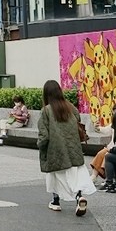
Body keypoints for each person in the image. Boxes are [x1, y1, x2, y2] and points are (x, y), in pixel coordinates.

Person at [38, 80, 95, 216]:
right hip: (73, 149)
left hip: (55, 150)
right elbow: (78, 124)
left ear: (46, 94)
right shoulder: (71, 107)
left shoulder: (46, 111)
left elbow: (44, 136)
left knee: (55, 175)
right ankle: (79, 197)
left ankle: (56, 201)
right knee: (75, 175)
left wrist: (40, 146)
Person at [90, 102, 116, 184]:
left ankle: (108, 178)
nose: (114, 114)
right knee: (101, 153)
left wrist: (111, 149)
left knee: (107, 156)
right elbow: (106, 130)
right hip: (112, 148)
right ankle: (93, 176)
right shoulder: (115, 123)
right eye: (113, 111)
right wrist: (97, 128)